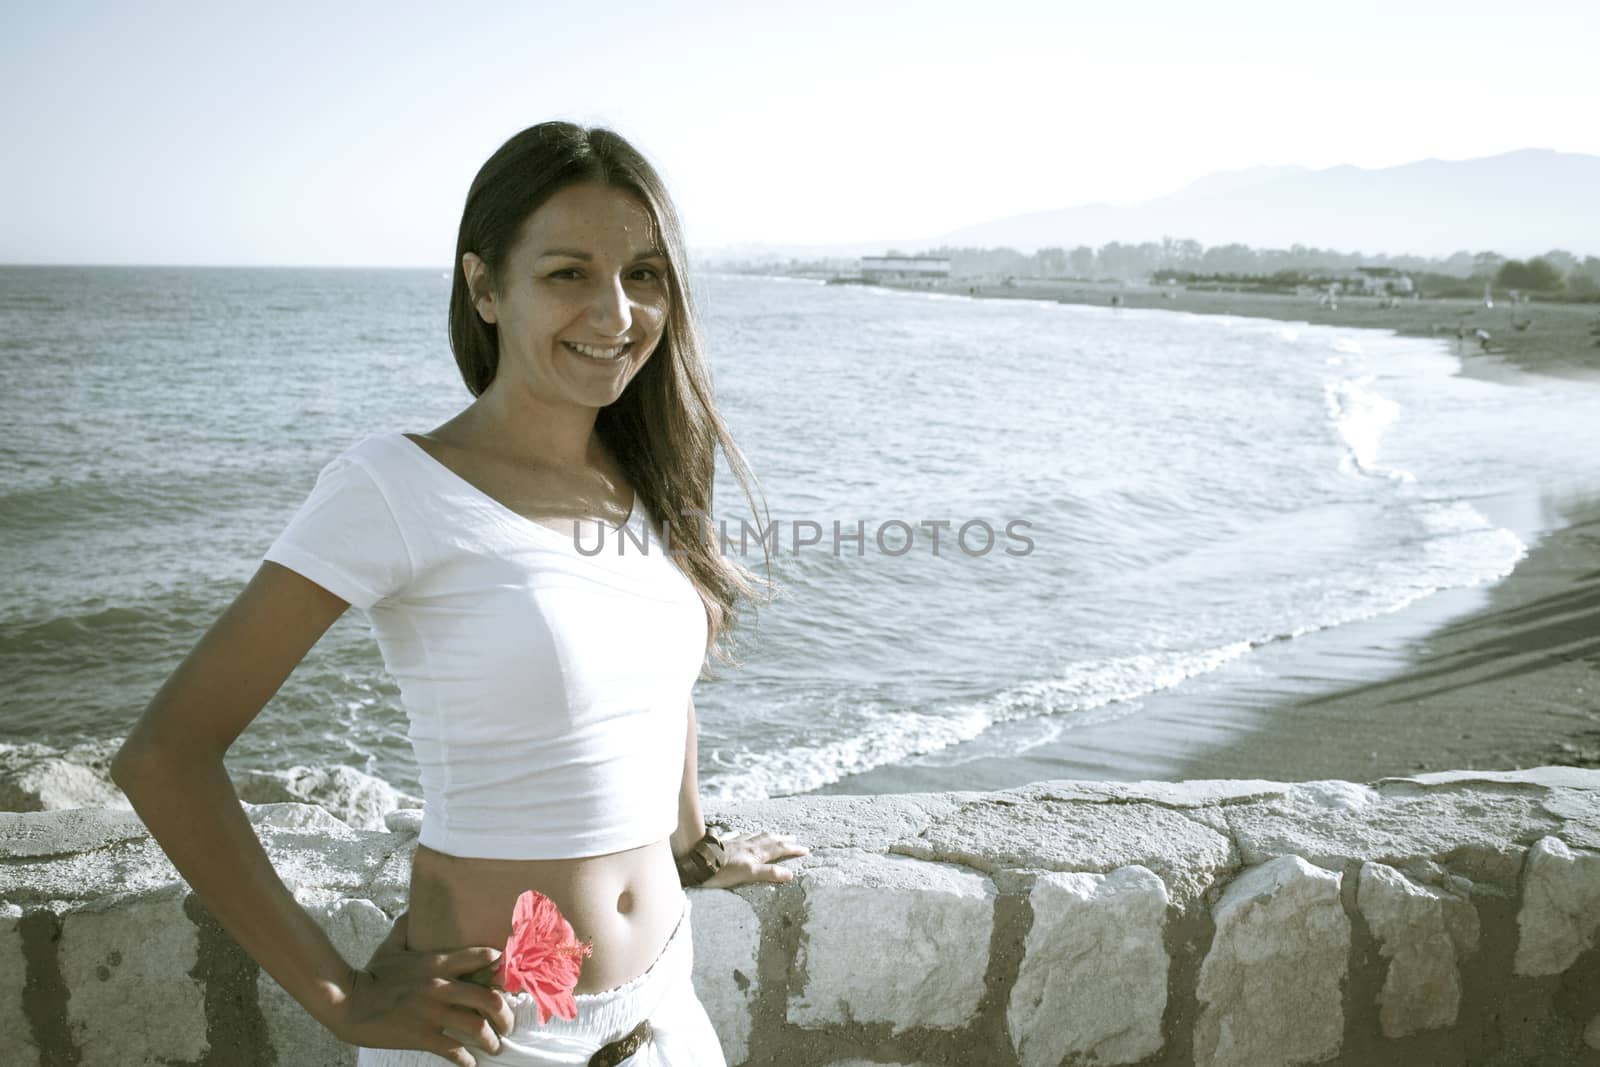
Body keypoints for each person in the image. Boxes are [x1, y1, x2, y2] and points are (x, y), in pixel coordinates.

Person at [110, 121, 808, 1066]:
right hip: (496, 1032)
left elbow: (654, 683)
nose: (616, 314)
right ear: (484, 285)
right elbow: (166, 755)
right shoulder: (396, 487)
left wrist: (691, 843)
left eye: (643, 274)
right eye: (568, 273)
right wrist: (341, 997)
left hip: (669, 1009)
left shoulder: (643, 476)